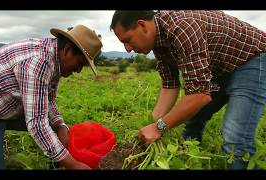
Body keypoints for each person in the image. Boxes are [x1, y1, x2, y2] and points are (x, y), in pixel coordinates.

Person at [110, 10, 266, 169]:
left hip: (252, 59)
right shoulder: (158, 42)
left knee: (235, 136)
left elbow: (199, 95)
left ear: (142, 25)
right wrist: (151, 123)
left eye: (127, 40)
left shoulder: (182, 27)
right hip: (221, 69)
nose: (127, 49)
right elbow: (169, 86)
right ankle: (190, 162)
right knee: (193, 118)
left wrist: (159, 127)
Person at [0, 24, 103, 169]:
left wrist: (60, 125)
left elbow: (48, 100)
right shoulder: (39, 61)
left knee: (56, 129)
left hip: (1, 106)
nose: (79, 70)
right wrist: (73, 165)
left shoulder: (54, 59)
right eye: (80, 63)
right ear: (67, 50)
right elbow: (37, 123)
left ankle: (53, 159)